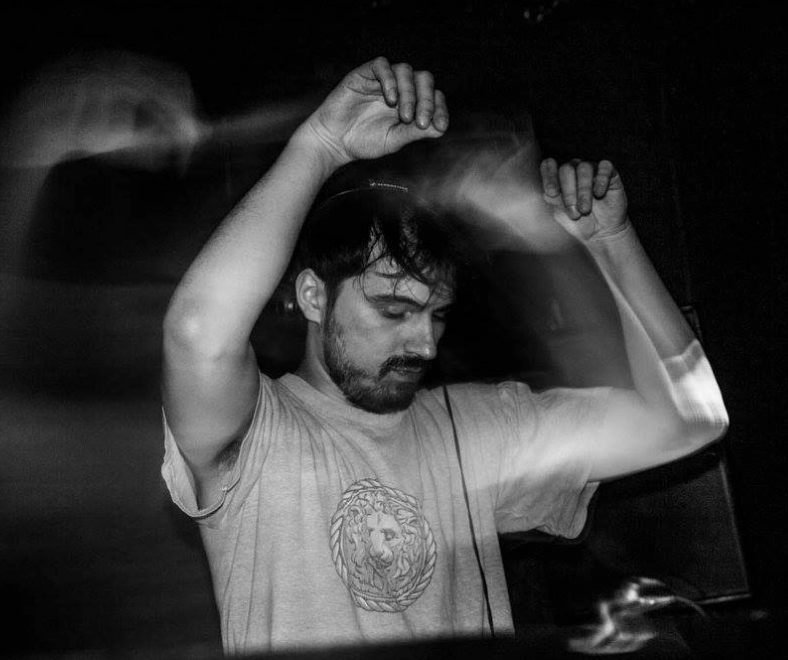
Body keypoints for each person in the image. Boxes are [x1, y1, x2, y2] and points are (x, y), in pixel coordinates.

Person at [160, 57, 728, 654]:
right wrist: (319, 146)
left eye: (436, 313)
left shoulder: (477, 428)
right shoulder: (255, 434)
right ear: (313, 297)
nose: (426, 343)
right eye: (393, 309)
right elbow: (197, 330)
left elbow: (688, 417)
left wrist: (612, 243)